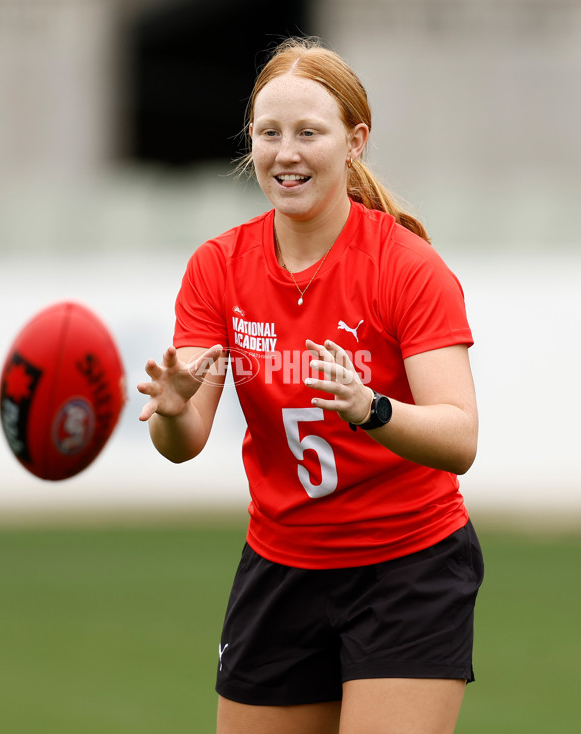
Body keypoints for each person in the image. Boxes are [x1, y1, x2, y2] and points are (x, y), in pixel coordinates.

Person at [137, 36, 483, 734]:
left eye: (308, 133)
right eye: (269, 133)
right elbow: (183, 444)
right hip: (281, 566)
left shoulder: (407, 267)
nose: (285, 153)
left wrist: (372, 409)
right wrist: (173, 411)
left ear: (354, 141)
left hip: (407, 568)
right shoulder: (218, 268)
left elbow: (460, 436)